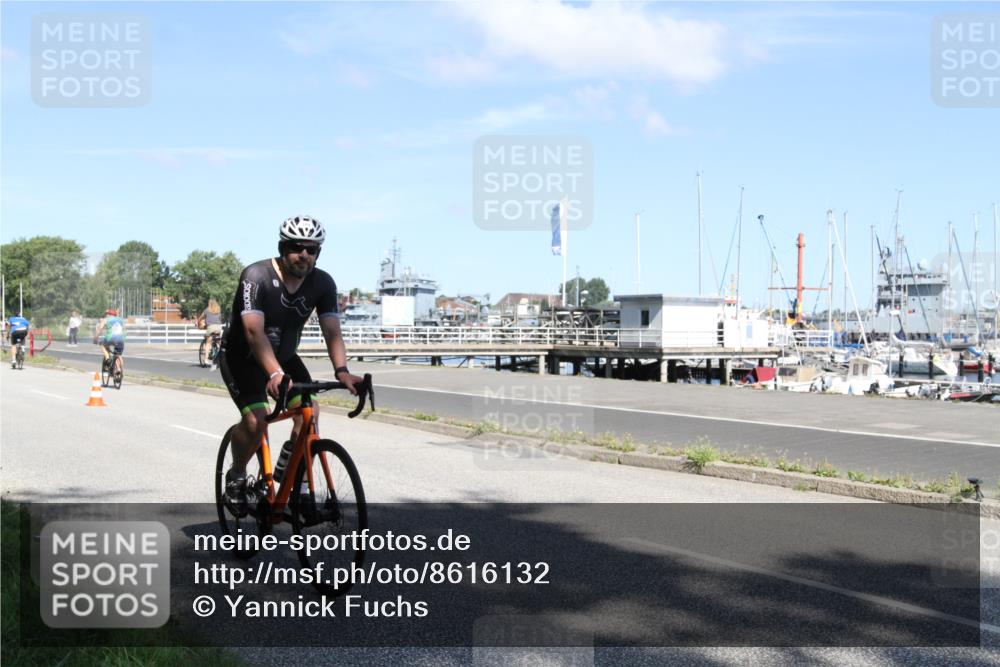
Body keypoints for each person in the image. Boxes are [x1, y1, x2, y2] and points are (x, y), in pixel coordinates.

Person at [218, 215, 362, 506]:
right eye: (297, 247)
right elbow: (253, 331)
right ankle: (236, 474)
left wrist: (343, 370)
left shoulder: (322, 283)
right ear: (283, 247)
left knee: (309, 413)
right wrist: (273, 374)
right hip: (242, 358)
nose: (304, 255)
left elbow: (332, 330)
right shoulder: (256, 276)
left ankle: (289, 472)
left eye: (312, 250)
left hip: (284, 357)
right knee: (256, 420)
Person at [197, 299, 224, 369]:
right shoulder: (218, 310)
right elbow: (220, 319)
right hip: (218, 327)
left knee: (208, 343)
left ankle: (206, 361)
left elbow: (201, 318)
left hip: (211, 327)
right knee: (220, 343)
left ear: (209, 304)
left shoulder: (206, 310)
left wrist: (198, 322)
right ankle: (222, 358)